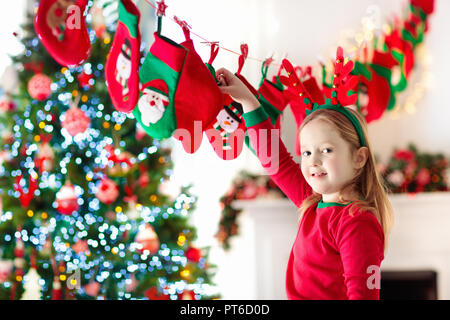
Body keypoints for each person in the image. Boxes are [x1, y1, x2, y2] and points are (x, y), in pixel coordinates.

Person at [215, 67, 394, 300]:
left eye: (326, 150)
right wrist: (248, 101)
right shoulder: (311, 203)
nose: (314, 161)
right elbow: (275, 162)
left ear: (359, 157)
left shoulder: (357, 222)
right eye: (307, 152)